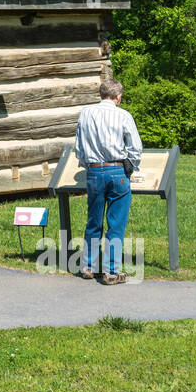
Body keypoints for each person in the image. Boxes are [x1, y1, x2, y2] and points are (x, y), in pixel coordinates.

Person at [73, 79, 142, 284]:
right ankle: (111, 271)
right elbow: (135, 148)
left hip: (94, 171)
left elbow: (79, 147)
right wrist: (130, 165)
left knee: (93, 221)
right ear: (118, 97)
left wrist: (89, 165)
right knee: (116, 224)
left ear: (101, 93)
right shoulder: (123, 115)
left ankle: (89, 266)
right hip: (116, 170)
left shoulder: (86, 113)